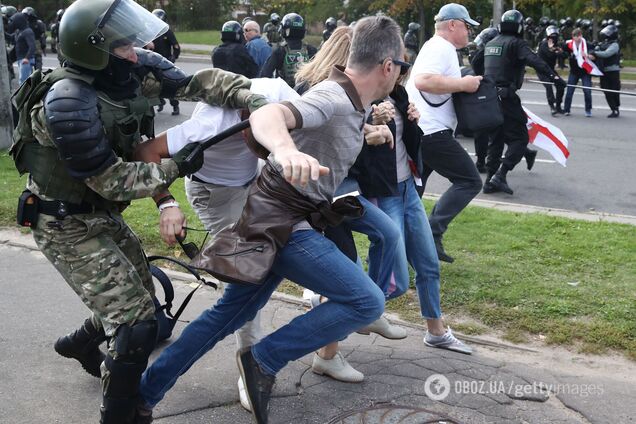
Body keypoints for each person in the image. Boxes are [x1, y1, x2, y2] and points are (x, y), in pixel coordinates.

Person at [137, 15, 406, 424]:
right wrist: (284, 149)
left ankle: (139, 395)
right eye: (401, 66)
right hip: (280, 224)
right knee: (365, 300)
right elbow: (267, 116)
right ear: (388, 66)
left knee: (224, 316)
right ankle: (262, 359)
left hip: (284, 216)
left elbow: (334, 134)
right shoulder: (333, 97)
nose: (400, 74)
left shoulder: (355, 102)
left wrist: (371, 131)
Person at [9, 0, 267, 422]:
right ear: (94, 50)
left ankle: (79, 343)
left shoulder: (129, 69)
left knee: (144, 298)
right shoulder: (67, 103)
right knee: (137, 325)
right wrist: (176, 166)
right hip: (63, 222)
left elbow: (196, 84)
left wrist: (249, 97)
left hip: (100, 214)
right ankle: (121, 414)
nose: (134, 53)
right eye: (123, 46)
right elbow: (111, 180)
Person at [295, 25, 407, 383]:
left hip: (344, 193)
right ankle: (323, 353)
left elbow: (351, 134)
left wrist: (376, 127)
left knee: (387, 236)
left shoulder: (353, 96)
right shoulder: (326, 94)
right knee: (345, 279)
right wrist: (373, 130)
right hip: (321, 199)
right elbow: (293, 126)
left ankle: (364, 313)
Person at [405, 3, 483, 263]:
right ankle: (431, 234)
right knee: (470, 180)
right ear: (453, 24)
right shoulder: (442, 47)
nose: (470, 31)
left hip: (423, 130)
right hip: (430, 131)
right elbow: (423, 80)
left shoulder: (436, 47)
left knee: (412, 194)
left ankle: (402, 246)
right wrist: (464, 84)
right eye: (467, 26)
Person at [482, 10, 563, 196]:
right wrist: (554, 77)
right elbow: (535, 60)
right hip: (507, 99)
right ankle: (500, 175)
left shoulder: (491, 43)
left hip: (489, 99)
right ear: (519, 27)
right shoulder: (516, 43)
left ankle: (489, 183)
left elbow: (478, 63)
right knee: (520, 139)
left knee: (496, 140)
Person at [259, 13, 317, 87]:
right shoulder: (311, 50)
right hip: (307, 93)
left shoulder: (280, 51)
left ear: (286, 30)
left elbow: (265, 75)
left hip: (285, 95)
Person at [150, 9, 181, 115]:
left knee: (170, 84)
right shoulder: (150, 31)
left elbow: (176, 46)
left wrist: (173, 57)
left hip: (165, 62)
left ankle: (175, 106)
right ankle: (160, 102)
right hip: (153, 62)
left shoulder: (166, 31)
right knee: (155, 84)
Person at [590, 24, 621, 118]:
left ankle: (616, 108)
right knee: (605, 90)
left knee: (614, 90)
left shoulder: (615, 45)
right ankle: (613, 108)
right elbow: (597, 50)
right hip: (603, 71)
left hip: (613, 71)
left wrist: (595, 53)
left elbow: (607, 54)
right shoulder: (603, 44)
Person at [562, 28, 593, 117]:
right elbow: (562, 50)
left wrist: (588, 55)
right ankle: (566, 109)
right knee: (569, 91)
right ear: (573, 37)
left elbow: (594, 54)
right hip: (574, 71)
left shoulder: (587, 44)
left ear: (581, 35)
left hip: (585, 71)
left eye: (579, 35)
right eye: (576, 36)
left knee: (587, 91)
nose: (578, 38)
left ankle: (588, 110)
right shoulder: (569, 45)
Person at [538, 25, 567, 115]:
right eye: (551, 37)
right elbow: (550, 55)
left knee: (561, 85)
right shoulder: (543, 44)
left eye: (555, 37)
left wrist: (559, 51)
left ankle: (558, 106)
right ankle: (552, 107)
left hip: (551, 70)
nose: (553, 39)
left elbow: (565, 55)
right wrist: (553, 50)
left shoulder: (557, 45)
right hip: (542, 70)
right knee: (548, 86)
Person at [9, 11, 35, 84]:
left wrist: (26, 58)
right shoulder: (19, 31)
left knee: (24, 83)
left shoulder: (27, 31)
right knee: (23, 82)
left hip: (26, 60)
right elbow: (10, 37)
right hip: (21, 59)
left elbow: (32, 46)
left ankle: (26, 95)